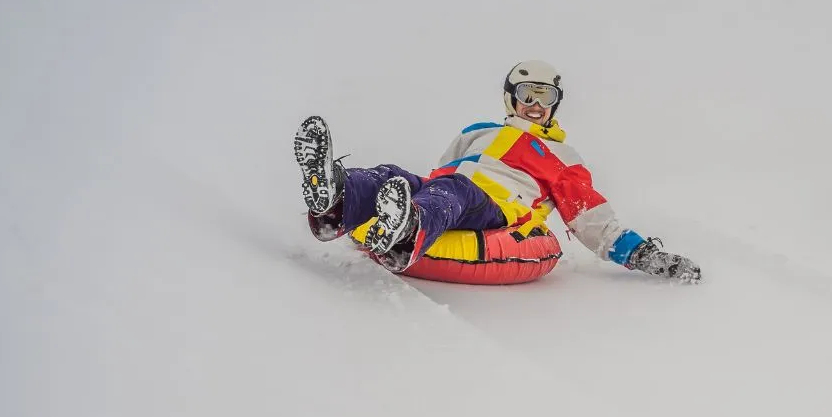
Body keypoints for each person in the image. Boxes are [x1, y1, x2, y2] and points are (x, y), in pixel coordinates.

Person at [293, 60, 701, 282]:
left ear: (556, 104)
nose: (537, 105)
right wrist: (410, 192)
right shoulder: (477, 132)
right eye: (529, 94)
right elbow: (442, 169)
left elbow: (592, 220)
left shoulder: (564, 155)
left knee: (453, 190)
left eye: (548, 96)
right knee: (391, 174)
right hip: (449, 191)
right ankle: (334, 202)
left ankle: (408, 235)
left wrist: (647, 255)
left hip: (500, 206)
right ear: (511, 98)